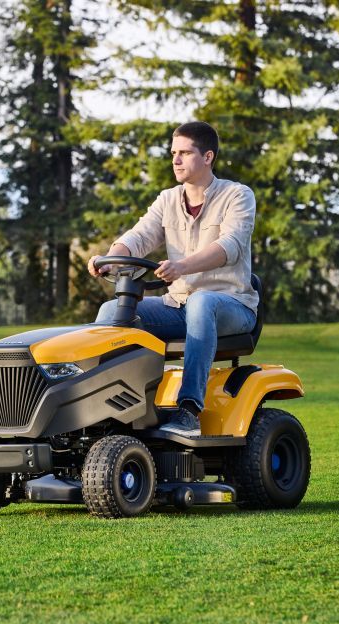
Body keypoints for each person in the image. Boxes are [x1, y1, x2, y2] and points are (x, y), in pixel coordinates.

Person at [86, 121, 258, 436]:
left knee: (202, 302)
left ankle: (188, 410)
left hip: (232, 306)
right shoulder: (167, 200)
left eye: (184, 153)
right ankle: (113, 410)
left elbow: (230, 247)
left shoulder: (237, 195)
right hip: (177, 305)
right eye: (173, 153)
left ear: (207, 157)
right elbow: (138, 237)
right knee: (112, 312)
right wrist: (110, 259)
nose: (175, 160)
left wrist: (182, 267)